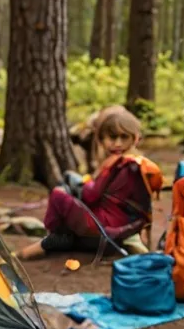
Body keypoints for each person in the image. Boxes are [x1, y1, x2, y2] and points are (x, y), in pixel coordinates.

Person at [18, 106, 164, 260]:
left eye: (124, 137)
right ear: (102, 139)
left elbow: (90, 196)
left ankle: (55, 235)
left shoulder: (116, 163)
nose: (118, 143)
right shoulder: (140, 163)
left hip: (106, 226)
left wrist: (82, 183)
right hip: (129, 226)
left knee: (58, 193)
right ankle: (61, 237)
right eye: (113, 137)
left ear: (135, 138)